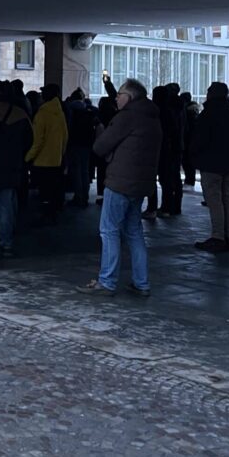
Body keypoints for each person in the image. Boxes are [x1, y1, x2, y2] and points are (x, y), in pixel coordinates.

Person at [79, 79, 161, 297]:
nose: (116, 98)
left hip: (120, 182)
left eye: (120, 94)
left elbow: (100, 146)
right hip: (141, 183)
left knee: (109, 230)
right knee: (134, 232)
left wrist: (102, 134)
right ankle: (142, 283)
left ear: (130, 97)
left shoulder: (127, 117)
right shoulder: (152, 117)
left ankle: (107, 281)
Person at [189, 82, 229, 253]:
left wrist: (194, 155)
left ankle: (218, 237)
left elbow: (200, 139)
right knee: (227, 200)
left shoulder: (208, 113)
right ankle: (228, 236)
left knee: (214, 201)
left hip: (211, 164)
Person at [0, 82, 33, 256]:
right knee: (6, 206)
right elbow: (30, 140)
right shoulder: (20, 113)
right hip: (11, 167)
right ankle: (6, 243)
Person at [26, 84, 68, 225]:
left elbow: (38, 140)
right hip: (56, 160)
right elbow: (65, 136)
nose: (41, 95)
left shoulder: (42, 113)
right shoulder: (60, 112)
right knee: (53, 190)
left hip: (42, 161)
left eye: (43, 93)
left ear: (47, 95)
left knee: (44, 192)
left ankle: (44, 216)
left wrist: (28, 157)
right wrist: (61, 154)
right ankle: (52, 214)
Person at [156, 84, 186, 216]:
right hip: (177, 147)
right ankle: (175, 206)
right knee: (175, 178)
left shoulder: (167, 109)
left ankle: (167, 207)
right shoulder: (181, 107)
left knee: (166, 178)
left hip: (167, 148)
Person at [65, 89, 98, 207]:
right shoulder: (89, 110)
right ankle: (85, 197)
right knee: (85, 171)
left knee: (76, 171)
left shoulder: (71, 109)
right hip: (87, 144)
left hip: (75, 143)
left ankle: (78, 197)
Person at [181, 92, 200, 188]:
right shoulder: (194, 111)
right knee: (189, 162)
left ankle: (189, 180)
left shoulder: (187, 112)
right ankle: (189, 180)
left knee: (187, 162)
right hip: (192, 140)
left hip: (187, 140)